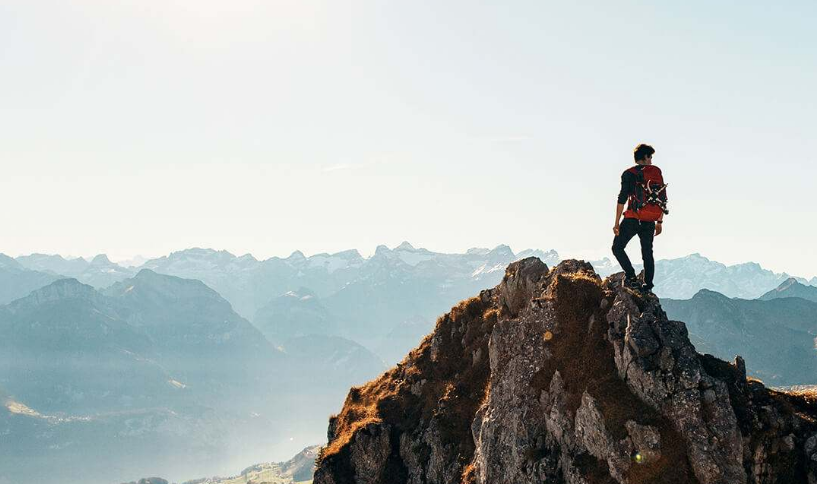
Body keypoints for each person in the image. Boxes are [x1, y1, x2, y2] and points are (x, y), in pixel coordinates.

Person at [612, 143, 668, 292]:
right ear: (645, 156)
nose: (651, 160)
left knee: (617, 248)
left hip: (632, 218)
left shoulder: (628, 174)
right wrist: (659, 221)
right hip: (649, 221)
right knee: (647, 253)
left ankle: (631, 277)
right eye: (650, 157)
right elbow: (662, 198)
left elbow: (622, 198)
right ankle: (648, 285)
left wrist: (616, 222)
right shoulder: (656, 172)